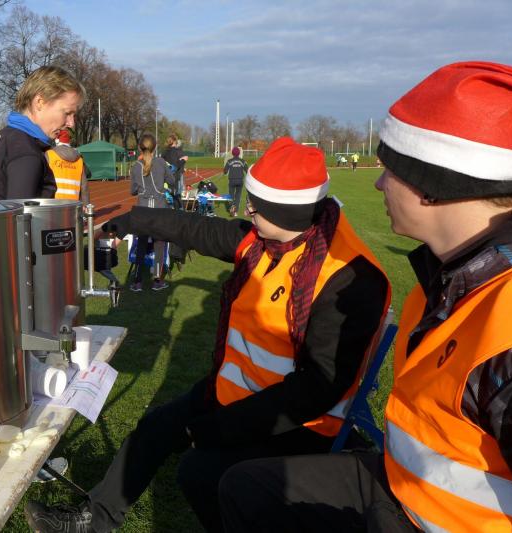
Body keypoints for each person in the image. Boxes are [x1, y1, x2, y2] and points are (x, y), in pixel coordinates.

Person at [216, 61, 512, 533]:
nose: (379, 183)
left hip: (433, 520)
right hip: (402, 487)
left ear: (435, 186)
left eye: (391, 170)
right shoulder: (446, 278)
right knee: (245, 488)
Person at [25, 137, 391, 532]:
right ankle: (93, 521)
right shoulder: (267, 239)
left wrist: (217, 428)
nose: (248, 209)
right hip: (235, 391)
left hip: (299, 424)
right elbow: (194, 227)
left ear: (287, 211)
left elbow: (315, 390)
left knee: (201, 472)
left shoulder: (350, 278)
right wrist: (123, 222)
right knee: (154, 429)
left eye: (258, 205)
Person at [0, 65, 85, 200]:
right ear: (39, 102)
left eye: (73, 115)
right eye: (67, 113)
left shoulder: (8, 136)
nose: (71, 123)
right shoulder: (26, 151)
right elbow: (21, 211)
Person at [128, 133, 175, 292]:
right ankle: (157, 280)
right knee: (159, 245)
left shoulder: (136, 166)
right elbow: (172, 181)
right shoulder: (161, 162)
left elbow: (132, 191)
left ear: (140, 148)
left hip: (143, 211)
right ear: (155, 147)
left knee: (141, 244)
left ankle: (137, 281)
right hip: (159, 210)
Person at [47, 129, 90, 204]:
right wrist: (86, 204)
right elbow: (84, 186)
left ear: (57, 140)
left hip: (53, 202)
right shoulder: (79, 159)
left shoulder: (49, 154)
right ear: (68, 141)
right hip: (73, 203)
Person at [162, 134, 188, 207]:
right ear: (174, 141)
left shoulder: (164, 152)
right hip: (175, 178)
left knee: (167, 196)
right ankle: (178, 210)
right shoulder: (176, 152)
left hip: (165, 178)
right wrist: (183, 160)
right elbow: (174, 166)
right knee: (176, 196)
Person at [223, 147, 248, 216]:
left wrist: (224, 170)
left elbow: (225, 171)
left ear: (232, 153)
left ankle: (232, 208)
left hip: (232, 180)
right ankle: (235, 211)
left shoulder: (229, 161)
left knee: (231, 195)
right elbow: (247, 170)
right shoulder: (243, 161)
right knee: (238, 196)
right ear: (239, 153)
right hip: (240, 180)